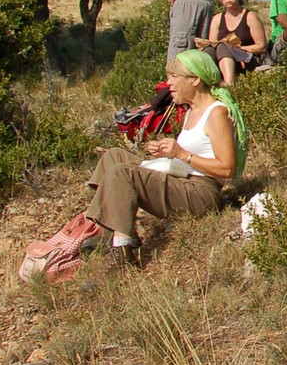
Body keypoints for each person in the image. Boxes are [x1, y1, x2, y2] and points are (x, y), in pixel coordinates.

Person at [84, 50, 246, 272]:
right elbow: (190, 156)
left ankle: (123, 252)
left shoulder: (216, 113)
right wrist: (164, 152)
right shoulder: (191, 112)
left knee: (121, 172)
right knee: (113, 156)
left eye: (174, 77)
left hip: (201, 193)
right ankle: (110, 228)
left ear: (195, 79)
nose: (168, 83)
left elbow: (227, 168)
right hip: (183, 178)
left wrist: (181, 154)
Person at [201, 0, 266, 86]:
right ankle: (208, 85)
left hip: (245, 59)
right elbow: (213, 45)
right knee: (209, 50)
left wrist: (238, 49)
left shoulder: (250, 16)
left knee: (223, 46)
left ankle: (229, 84)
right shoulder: (217, 19)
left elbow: (262, 46)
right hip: (222, 58)